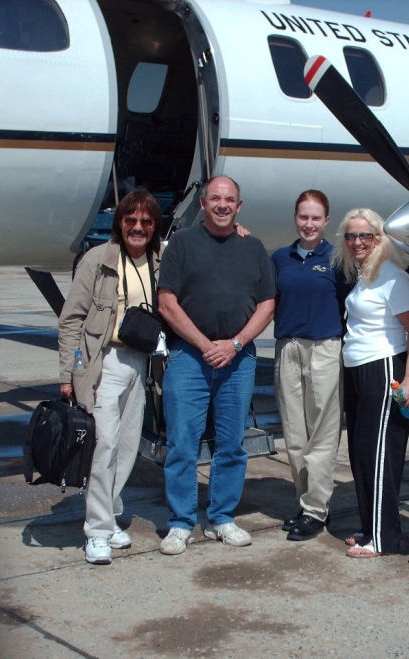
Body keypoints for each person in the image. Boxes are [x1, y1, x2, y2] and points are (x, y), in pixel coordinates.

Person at [157, 175, 276, 555]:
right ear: (204, 204)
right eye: (215, 199)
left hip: (238, 360)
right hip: (189, 358)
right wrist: (206, 345)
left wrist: (236, 344)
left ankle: (222, 517)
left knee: (232, 445)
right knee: (181, 444)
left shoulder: (253, 247)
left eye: (230, 200)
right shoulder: (182, 243)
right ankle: (180, 523)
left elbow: (267, 304)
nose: (222, 205)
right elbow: (167, 303)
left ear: (239, 206)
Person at [58, 189, 163, 565]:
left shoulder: (158, 258)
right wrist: (70, 370)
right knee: (103, 446)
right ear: (120, 222)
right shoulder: (98, 260)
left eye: (146, 221)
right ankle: (97, 532)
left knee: (128, 447)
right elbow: (71, 319)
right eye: (131, 220)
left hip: (140, 363)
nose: (138, 227)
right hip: (104, 362)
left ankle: (108, 514)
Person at [333, 208, 409, 557]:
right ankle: (371, 527)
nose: (357, 242)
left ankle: (384, 538)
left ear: (379, 239)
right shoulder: (362, 275)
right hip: (357, 369)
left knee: (380, 454)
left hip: (384, 368)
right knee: (360, 455)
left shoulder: (391, 277)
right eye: (351, 236)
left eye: (365, 236)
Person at [272, 190, 351, 541]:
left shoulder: (337, 260)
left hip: (324, 349)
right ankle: (305, 503)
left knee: (322, 434)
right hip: (288, 349)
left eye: (315, 218)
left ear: (326, 221)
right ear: (295, 218)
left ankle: (317, 511)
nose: (308, 224)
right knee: (294, 435)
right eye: (303, 217)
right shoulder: (279, 258)